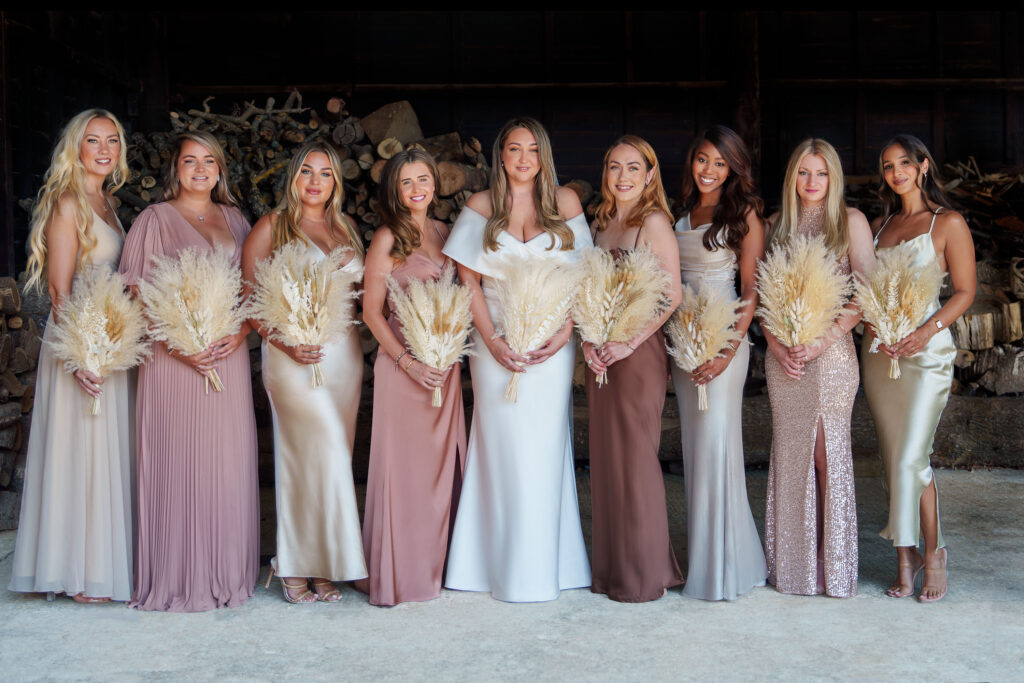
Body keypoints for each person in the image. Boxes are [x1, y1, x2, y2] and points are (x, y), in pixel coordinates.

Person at [441, 116, 592, 602]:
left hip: (552, 344)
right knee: (501, 447)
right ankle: (490, 566)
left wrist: (565, 331)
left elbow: (584, 274)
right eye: (513, 149)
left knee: (545, 448)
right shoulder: (481, 205)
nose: (523, 159)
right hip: (495, 342)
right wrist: (491, 340)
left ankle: (551, 565)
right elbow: (468, 282)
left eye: (532, 150)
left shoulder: (564, 203)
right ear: (500, 156)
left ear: (542, 156)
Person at [119, 131, 259, 612]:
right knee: (179, 461)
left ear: (221, 169)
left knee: (225, 464)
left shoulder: (238, 220)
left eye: (209, 161)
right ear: (174, 169)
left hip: (227, 355)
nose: (200, 169)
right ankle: (178, 577)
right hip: (172, 360)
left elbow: (252, 293)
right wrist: (180, 346)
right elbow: (137, 296)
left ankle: (226, 571)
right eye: (189, 161)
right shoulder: (152, 220)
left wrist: (239, 336)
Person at [8, 109, 134, 603]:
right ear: (74, 148)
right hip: (80, 344)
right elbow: (61, 290)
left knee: (103, 452)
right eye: (93, 141)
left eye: (112, 142)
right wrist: (83, 353)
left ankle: (100, 561)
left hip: (110, 341)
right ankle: (79, 574)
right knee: (81, 452)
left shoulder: (107, 202)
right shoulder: (68, 203)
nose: (104, 150)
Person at [241, 141, 367, 604]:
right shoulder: (272, 226)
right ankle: (291, 562)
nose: (316, 182)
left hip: (343, 358)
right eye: (307, 172)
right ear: (293, 178)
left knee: (333, 460)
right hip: (292, 357)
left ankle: (323, 567)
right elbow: (250, 298)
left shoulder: (347, 227)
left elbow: (360, 293)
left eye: (326, 173)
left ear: (336, 181)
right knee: (310, 455)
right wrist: (286, 342)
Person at [862, 134, 976, 603]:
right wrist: (874, 324)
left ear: (924, 165)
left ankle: (935, 553)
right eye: (888, 166)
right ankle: (903, 558)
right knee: (896, 464)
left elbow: (965, 292)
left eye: (904, 163)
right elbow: (863, 288)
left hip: (925, 355)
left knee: (913, 458)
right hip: (879, 354)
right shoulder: (878, 225)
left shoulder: (946, 222)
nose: (896, 173)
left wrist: (924, 333)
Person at [762, 139, 874, 598]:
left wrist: (822, 340)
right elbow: (763, 301)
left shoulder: (850, 223)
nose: (812, 183)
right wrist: (779, 345)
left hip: (831, 356)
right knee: (791, 456)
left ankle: (834, 561)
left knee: (827, 456)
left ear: (834, 178)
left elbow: (865, 292)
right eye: (804, 173)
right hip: (784, 358)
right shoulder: (775, 225)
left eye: (821, 174)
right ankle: (794, 565)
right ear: (792, 178)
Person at [357, 149, 466, 607]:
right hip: (404, 372)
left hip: (446, 369)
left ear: (435, 185)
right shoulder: (387, 238)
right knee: (405, 474)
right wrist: (407, 362)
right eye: (407, 182)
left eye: (424, 178)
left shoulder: (447, 233)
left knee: (441, 474)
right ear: (394, 191)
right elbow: (371, 312)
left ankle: (439, 567)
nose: (417, 188)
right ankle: (401, 573)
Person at [582, 135, 683, 602]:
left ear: (649, 174)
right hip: (600, 353)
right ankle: (611, 570)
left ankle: (643, 574)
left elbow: (670, 296)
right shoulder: (603, 222)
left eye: (632, 168)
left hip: (637, 354)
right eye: (614, 167)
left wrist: (627, 344)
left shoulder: (653, 222)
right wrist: (590, 340)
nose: (622, 177)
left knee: (637, 459)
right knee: (606, 459)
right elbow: (586, 292)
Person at [671, 125, 768, 601]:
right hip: (684, 345)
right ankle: (711, 560)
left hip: (724, 343)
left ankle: (722, 570)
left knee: (717, 446)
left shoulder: (744, 213)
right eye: (702, 159)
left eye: (720, 163)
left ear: (733, 169)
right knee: (696, 451)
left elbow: (750, 291)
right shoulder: (681, 213)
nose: (708, 170)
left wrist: (729, 349)